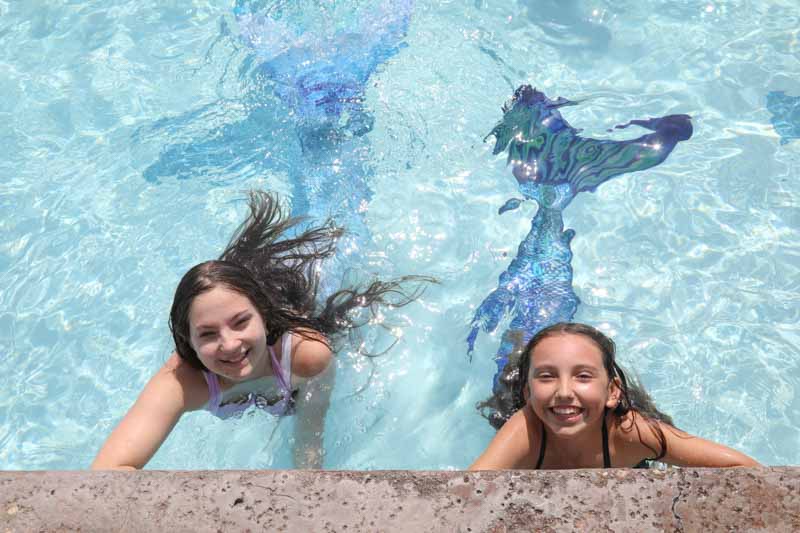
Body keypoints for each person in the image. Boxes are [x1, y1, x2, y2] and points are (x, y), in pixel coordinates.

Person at [92, 191, 430, 470]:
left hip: (323, 273)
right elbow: (106, 475)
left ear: (263, 317)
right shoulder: (183, 382)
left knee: (344, 212)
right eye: (207, 334)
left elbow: (309, 441)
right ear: (187, 342)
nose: (229, 344)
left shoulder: (308, 355)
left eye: (241, 322)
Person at [470, 322, 760, 469]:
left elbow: (745, 468)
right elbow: (469, 491)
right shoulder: (525, 430)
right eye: (546, 376)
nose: (563, 391)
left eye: (583, 376)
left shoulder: (632, 433)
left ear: (612, 392)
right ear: (529, 392)